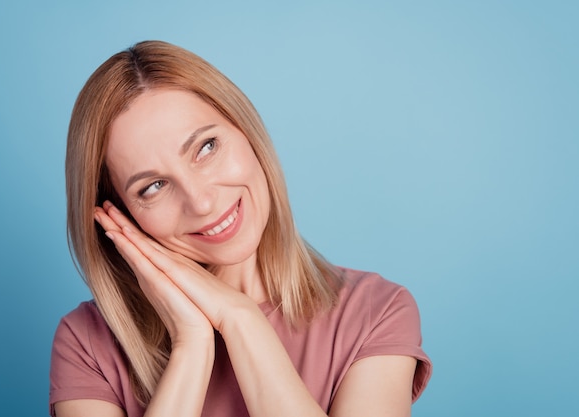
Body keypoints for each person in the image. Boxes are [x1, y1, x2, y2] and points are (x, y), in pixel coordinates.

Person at [49, 40, 432, 417]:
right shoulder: (87, 343)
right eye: (153, 186)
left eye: (206, 147)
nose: (200, 202)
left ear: (247, 132)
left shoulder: (375, 313)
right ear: (122, 215)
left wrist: (241, 319)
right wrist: (192, 344)